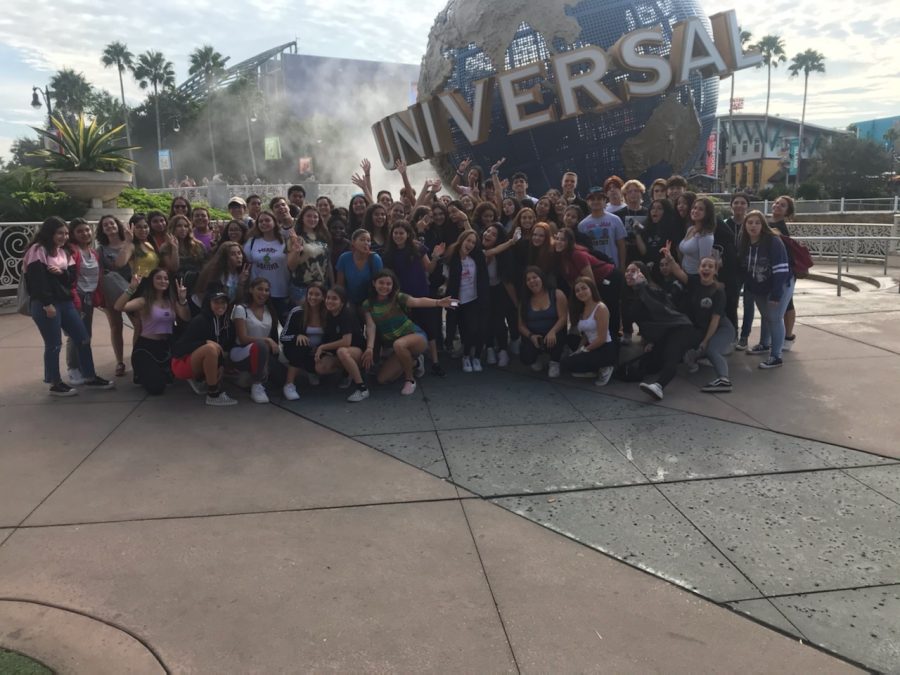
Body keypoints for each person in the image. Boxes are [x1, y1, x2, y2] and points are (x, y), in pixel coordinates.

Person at [23, 216, 114, 396]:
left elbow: (71, 277)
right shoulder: (38, 250)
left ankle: (89, 376)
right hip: (46, 304)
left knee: (82, 337)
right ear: (49, 233)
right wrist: (47, 304)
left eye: (65, 233)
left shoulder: (63, 252)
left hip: (65, 302)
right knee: (54, 344)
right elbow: (37, 280)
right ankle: (55, 383)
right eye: (59, 233)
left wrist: (61, 272)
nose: (63, 237)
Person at [361, 270, 452, 396]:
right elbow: (371, 326)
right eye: (381, 283)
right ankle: (416, 362)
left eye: (388, 284)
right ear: (374, 283)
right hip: (398, 346)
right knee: (382, 379)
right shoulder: (368, 304)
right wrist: (369, 348)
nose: (384, 286)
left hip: (416, 337)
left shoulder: (398, 297)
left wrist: (437, 302)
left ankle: (410, 380)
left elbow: (417, 301)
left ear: (393, 286)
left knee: (399, 344)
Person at [660, 248, 734, 393]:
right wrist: (670, 258)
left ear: (715, 271)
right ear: (699, 269)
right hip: (702, 327)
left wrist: (705, 341)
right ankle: (699, 358)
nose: (706, 268)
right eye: (703, 266)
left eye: (710, 266)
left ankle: (724, 380)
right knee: (689, 353)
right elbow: (678, 272)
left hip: (722, 328)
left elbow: (715, 320)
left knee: (712, 349)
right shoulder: (694, 282)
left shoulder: (718, 291)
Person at [624, 262, 697, 401]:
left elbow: (657, 311)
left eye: (633, 271)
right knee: (650, 362)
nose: (629, 273)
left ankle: (659, 386)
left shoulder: (652, 291)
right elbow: (644, 323)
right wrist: (650, 340)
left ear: (643, 275)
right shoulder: (632, 294)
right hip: (663, 333)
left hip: (679, 327)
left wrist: (642, 287)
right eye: (627, 270)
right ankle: (687, 356)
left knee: (671, 357)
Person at [382, 220, 446, 376]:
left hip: (421, 293)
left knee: (429, 328)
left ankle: (436, 362)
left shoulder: (418, 248)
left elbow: (429, 269)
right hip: (402, 297)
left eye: (401, 233)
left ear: (408, 234)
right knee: (407, 330)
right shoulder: (388, 253)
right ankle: (415, 360)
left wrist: (436, 257)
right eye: (395, 233)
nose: (398, 236)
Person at [114, 268, 191, 395]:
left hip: (165, 348)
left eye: (166, 278)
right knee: (157, 388)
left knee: (173, 381)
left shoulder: (171, 301)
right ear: (151, 281)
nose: (163, 281)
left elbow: (186, 317)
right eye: (158, 278)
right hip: (146, 348)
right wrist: (131, 288)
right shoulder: (144, 301)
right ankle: (142, 373)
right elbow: (119, 307)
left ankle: (158, 372)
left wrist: (182, 300)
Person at [739, 210, 793, 369]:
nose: (753, 226)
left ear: (763, 225)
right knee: (766, 316)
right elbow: (744, 266)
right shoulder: (744, 241)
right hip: (758, 286)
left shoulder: (773, 241)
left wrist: (777, 294)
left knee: (775, 318)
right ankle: (764, 343)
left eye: (757, 223)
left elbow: (781, 269)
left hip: (779, 284)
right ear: (745, 225)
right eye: (750, 223)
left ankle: (776, 356)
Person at [553, 227, 622, 343]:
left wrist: (594, 300)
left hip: (609, 277)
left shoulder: (577, 255)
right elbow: (571, 281)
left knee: (607, 307)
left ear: (570, 242)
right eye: (557, 239)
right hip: (593, 282)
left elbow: (590, 280)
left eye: (563, 240)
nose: (559, 242)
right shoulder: (560, 257)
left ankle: (613, 340)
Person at [170, 290, 238, 406]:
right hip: (181, 363)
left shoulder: (228, 323)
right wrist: (205, 342)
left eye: (223, 302)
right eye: (216, 302)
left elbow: (227, 347)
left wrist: (221, 365)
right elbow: (178, 349)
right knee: (210, 349)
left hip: (202, 360)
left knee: (221, 351)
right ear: (208, 303)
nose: (221, 306)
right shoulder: (200, 320)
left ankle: (201, 380)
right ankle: (213, 394)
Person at [444, 230, 489, 373]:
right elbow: (446, 280)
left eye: (473, 242)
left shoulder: (476, 258)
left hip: (473, 299)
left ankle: (474, 356)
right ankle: (463, 354)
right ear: (461, 240)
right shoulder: (452, 258)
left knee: (474, 328)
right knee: (455, 326)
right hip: (455, 300)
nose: (470, 244)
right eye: (468, 240)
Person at [64, 217, 102, 385]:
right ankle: (73, 369)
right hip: (76, 297)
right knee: (76, 335)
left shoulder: (93, 252)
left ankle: (82, 368)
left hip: (88, 298)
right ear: (73, 234)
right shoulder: (72, 251)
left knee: (85, 334)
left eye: (87, 230)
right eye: (80, 231)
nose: (85, 233)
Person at [560, 276, 618, 386]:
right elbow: (586, 334)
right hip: (591, 345)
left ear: (591, 289)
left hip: (604, 348)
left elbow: (601, 339)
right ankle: (592, 369)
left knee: (567, 363)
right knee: (569, 340)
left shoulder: (601, 308)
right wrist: (578, 348)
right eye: (577, 290)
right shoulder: (582, 309)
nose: (581, 292)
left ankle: (606, 366)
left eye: (584, 288)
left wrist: (583, 350)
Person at [315, 286, 369, 402]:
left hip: (358, 352)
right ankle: (347, 372)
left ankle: (362, 388)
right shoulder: (328, 314)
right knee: (320, 367)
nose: (330, 301)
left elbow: (346, 341)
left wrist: (322, 347)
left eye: (334, 299)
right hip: (342, 351)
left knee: (342, 351)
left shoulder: (346, 314)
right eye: (328, 298)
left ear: (342, 302)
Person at [231, 277, 281, 403]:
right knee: (260, 345)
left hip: (263, 353)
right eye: (260, 289)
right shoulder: (241, 309)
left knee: (282, 379)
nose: (263, 293)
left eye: (266, 290)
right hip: (241, 352)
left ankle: (251, 376)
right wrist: (267, 340)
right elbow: (243, 339)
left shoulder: (270, 311)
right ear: (251, 290)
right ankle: (256, 385)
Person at [96, 214, 134, 376]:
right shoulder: (101, 250)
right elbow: (98, 273)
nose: (110, 227)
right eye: (106, 225)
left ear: (118, 225)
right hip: (112, 291)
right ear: (102, 230)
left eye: (112, 223)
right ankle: (119, 361)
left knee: (138, 323)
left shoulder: (130, 243)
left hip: (131, 289)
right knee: (115, 326)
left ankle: (138, 356)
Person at [243, 210, 297, 321]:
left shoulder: (284, 241)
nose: (263, 223)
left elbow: (292, 264)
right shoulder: (252, 242)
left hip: (281, 291)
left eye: (267, 220)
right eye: (260, 221)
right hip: (259, 293)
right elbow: (247, 263)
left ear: (274, 222)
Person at [518, 267, 569, 377]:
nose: (532, 281)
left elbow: (563, 318)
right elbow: (521, 325)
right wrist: (531, 336)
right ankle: (537, 357)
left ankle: (555, 361)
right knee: (526, 357)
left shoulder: (556, 294)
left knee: (557, 337)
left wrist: (553, 331)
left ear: (542, 278)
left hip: (553, 334)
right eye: (528, 279)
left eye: (535, 277)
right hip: (535, 335)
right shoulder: (524, 300)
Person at [280, 283, 326, 400]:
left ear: (323, 297)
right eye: (310, 294)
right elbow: (283, 337)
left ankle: (312, 371)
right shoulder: (297, 312)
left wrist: (322, 347)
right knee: (301, 345)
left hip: (318, 352)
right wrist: (296, 337)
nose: (313, 297)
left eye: (317, 294)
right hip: (297, 350)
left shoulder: (327, 313)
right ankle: (289, 384)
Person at [770, 195, 798, 351]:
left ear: (787, 211)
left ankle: (788, 336)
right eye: (776, 203)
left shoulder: (781, 227)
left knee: (787, 304)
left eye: (782, 205)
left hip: (784, 271)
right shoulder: (769, 222)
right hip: (774, 270)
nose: (777, 206)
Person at [288, 205, 333, 304]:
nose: (312, 219)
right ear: (302, 218)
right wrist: (296, 250)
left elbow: (327, 262)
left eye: (315, 217)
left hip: (322, 287)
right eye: (308, 216)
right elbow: (291, 266)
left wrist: (332, 285)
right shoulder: (297, 238)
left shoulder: (323, 237)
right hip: (302, 288)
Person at [726, 193, 753, 349]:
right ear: (731, 205)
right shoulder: (725, 223)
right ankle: (733, 334)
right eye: (736, 202)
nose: (739, 205)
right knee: (733, 302)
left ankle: (745, 336)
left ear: (747, 206)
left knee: (749, 303)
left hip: (749, 268)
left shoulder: (752, 223)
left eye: (743, 203)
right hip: (732, 269)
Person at [577, 188, 627, 270]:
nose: (596, 202)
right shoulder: (582, 225)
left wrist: (622, 266)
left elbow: (621, 245)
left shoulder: (615, 219)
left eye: (599, 199)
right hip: (594, 267)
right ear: (588, 202)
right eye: (592, 199)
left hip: (613, 266)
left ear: (605, 201)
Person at [336, 229, 384, 307]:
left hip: (370, 303)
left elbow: (380, 285)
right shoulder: (344, 258)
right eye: (362, 240)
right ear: (353, 242)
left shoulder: (375, 259)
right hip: (349, 303)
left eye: (368, 241)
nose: (366, 243)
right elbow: (340, 285)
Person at [193, 241, 249, 306]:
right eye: (233, 254)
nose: (238, 256)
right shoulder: (216, 274)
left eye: (239, 253)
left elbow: (238, 299)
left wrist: (241, 282)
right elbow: (215, 300)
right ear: (225, 258)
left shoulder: (240, 273)